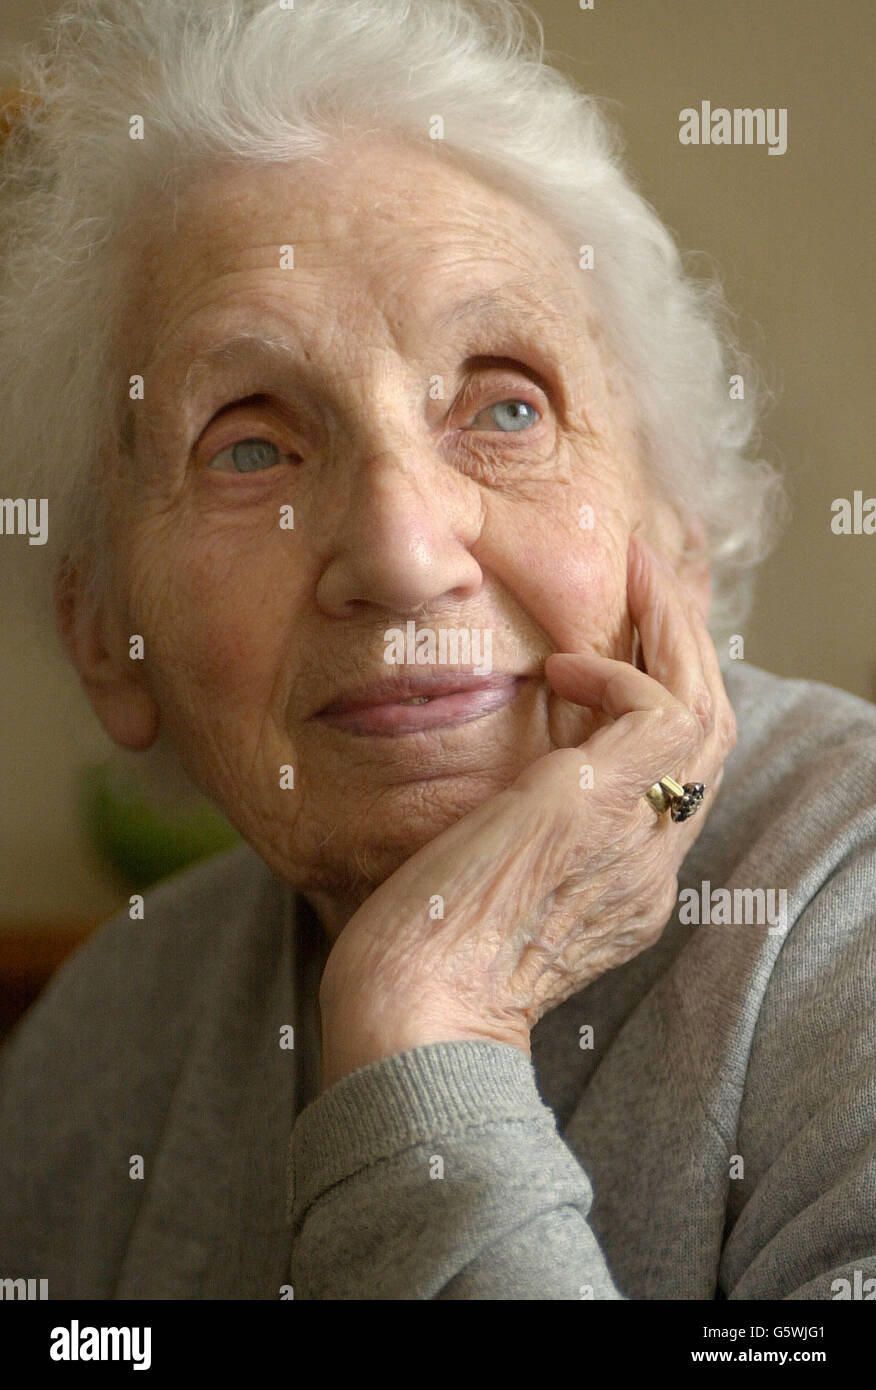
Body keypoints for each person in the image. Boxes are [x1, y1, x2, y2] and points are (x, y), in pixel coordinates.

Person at [0, 0, 873, 1300]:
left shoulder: (844, 910)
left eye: (506, 406)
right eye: (250, 442)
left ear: (676, 535)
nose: (404, 551)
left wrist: (429, 1027)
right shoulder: (104, 1037)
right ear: (103, 633)